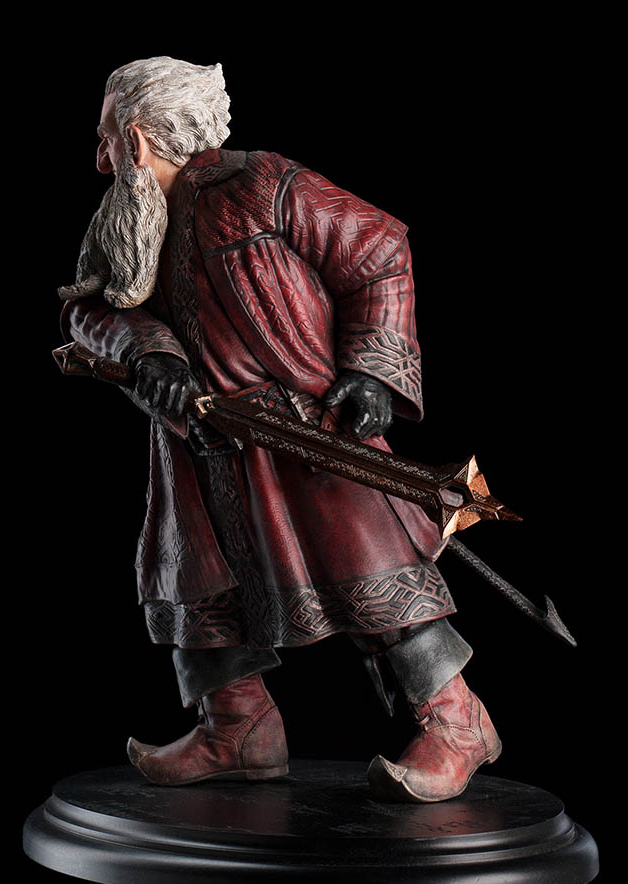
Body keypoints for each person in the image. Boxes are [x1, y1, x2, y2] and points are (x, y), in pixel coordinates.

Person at [58, 57, 501, 803]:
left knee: (369, 568)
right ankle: (237, 730)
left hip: (306, 432)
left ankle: (459, 722)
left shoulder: (265, 183)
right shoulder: (124, 219)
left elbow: (377, 251)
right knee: (198, 584)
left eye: (106, 138)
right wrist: (148, 351)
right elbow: (88, 308)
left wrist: (372, 371)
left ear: (137, 138)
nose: (100, 159)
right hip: (195, 440)